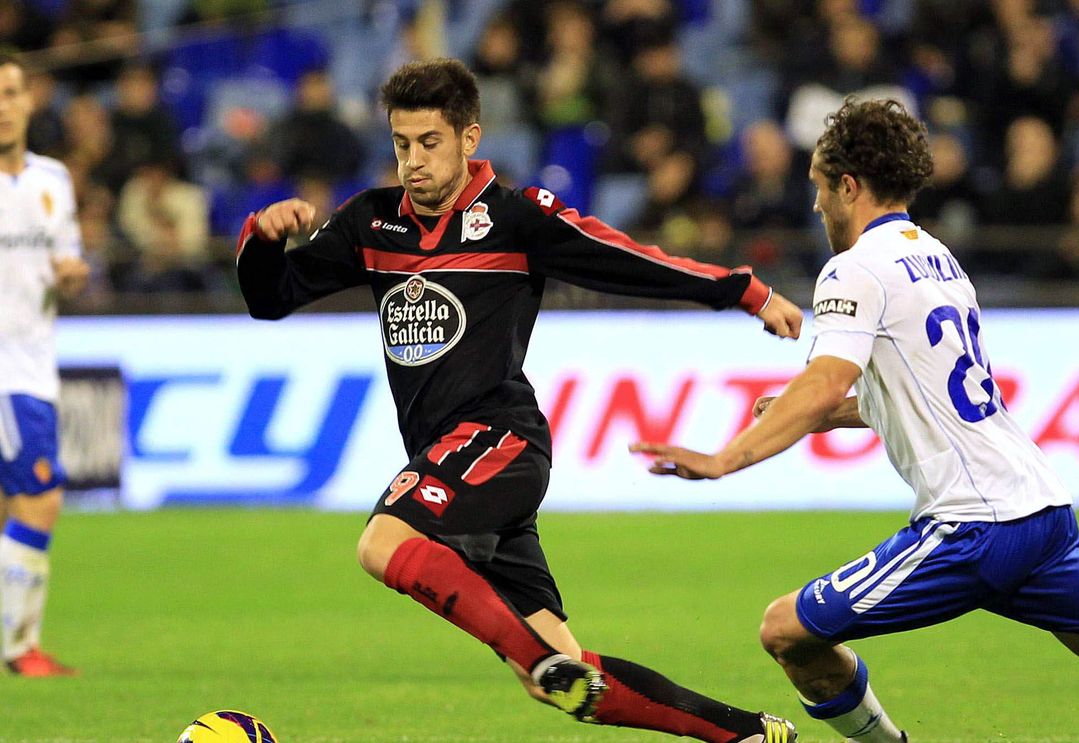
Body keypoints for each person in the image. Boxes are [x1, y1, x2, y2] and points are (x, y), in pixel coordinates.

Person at [632, 97, 1079, 743]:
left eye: (820, 188)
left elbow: (823, 381)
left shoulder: (852, 269)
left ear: (849, 186)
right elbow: (922, 392)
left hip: (972, 526)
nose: (817, 206)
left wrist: (724, 458)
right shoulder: (938, 257)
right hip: (1039, 508)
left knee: (786, 631)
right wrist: (831, 417)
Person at [235, 58, 802, 743]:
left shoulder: (514, 218)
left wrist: (742, 289)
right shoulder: (371, 223)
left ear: (469, 138)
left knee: (385, 541)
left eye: (430, 142)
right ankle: (748, 733)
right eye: (402, 144)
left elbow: (622, 259)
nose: (413, 161)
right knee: (562, 676)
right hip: (449, 458)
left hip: (498, 438)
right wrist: (263, 240)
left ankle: (539, 659)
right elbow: (271, 298)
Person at [0, 50, 89, 677]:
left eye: (9, 93)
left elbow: (68, 265)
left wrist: (72, 274)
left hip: (35, 362)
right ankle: (18, 647)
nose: (1, 108)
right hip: (8, 376)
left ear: (29, 100)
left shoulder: (53, 180)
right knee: (41, 497)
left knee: (12, 506)